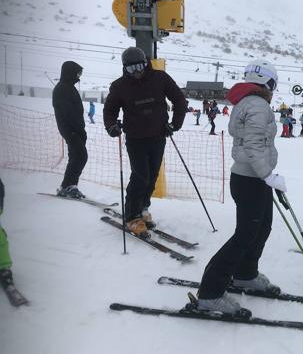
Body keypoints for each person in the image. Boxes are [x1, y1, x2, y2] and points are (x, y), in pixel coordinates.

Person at [196, 59, 284, 315]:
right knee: (245, 235)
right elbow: (254, 146)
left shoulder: (248, 103)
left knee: (261, 227)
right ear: (268, 82)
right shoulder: (258, 106)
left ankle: (245, 274)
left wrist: (266, 175)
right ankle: (210, 293)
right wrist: (268, 175)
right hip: (252, 179)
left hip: (251, 177)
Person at [103, 47, 187, 235]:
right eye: (132, 69)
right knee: (140, 177)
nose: (137, 72)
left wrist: (175, 124)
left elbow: (179, 100)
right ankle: (132, 216)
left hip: (158, 136)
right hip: (135, 139)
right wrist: (111, 126)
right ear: (125, 68)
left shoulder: (160, 78)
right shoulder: (119, 86)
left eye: (140, 66)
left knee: (152, 176)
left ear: (146, 63)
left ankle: (143, 207)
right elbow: (109, 110)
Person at [53, 61, 88, 199]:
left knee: (75, 157)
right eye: (77, 73)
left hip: (74, 130)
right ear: (69, 72)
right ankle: (68, 186)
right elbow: (68, 113)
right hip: (71, 130)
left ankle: (68, 186)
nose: (79, 76)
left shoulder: (67, 87)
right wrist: (77, 131)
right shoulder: (62, 89)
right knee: (81, 156)